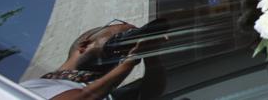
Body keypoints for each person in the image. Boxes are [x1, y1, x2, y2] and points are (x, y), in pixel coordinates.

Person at [20, 21, 167, 99]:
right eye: (118, 39)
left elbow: (151, 91)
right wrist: (129, 63)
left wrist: (151, 56)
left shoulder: (105, 91)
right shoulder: (36, 86)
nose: (124, 51)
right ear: (84, 46)